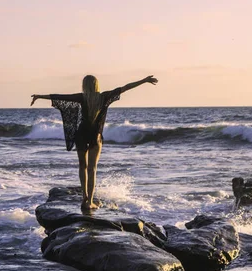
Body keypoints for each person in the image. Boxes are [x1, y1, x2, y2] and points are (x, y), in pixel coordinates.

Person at [30, 74, 158, 209]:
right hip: (95, 137)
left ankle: (84, 198)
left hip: (81, 135)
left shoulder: (82, 97)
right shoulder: (104, 97)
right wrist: (144, 80)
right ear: (96, 85)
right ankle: (89, 201)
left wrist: (40, 96)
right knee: (92, 169)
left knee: (82, 167)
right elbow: (126, 87)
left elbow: (60, 96)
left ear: (85, 85)